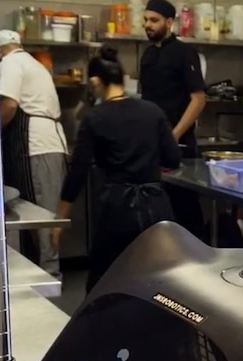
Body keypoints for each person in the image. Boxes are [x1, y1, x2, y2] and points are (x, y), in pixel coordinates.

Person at [51, 46, 182, 295]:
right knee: (161, 279)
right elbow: (173, 158)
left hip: (117, 210)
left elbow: (77, 172)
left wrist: (59, 221)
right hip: (157, 209)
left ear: (96, 81)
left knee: (105, 281)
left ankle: (104, 330)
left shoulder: (95, 117)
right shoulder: (152, 111)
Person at [0, 29, 68, 278]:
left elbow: (9, 104)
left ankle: (48, 278)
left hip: (34, 146)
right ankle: (46, 274)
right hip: (49, 144)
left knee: (37, 218)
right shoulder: (33, 64)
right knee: (44, 216)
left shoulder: (10, 63)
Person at [140, 0, 207, 238]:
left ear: (169, 22)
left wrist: (172, 135)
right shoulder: (147, 55)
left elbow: (198, 99)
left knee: (185, 211)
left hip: (179, 147)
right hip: (152, 148)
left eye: (154, 20)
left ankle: (199, 266)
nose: (148, 25)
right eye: (146, 19)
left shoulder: (184, 53)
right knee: (158, 214)